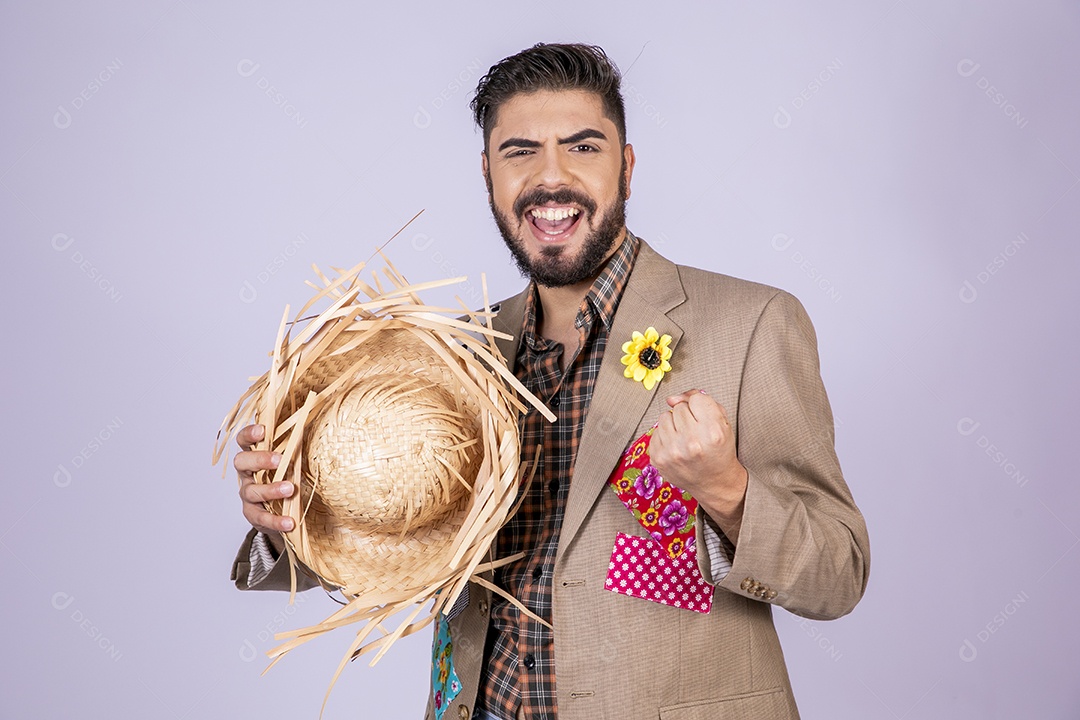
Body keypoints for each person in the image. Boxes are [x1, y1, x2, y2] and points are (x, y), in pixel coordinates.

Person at [230, 43, 870, 720]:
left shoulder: (752, 324)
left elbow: (838, 575)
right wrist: (290, 515)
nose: (551, 178)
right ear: (488, 175)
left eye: (583, 147)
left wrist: (727, 493)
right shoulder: (454, 355)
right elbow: (391, 552)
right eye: (521, 152)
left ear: (625, 167)